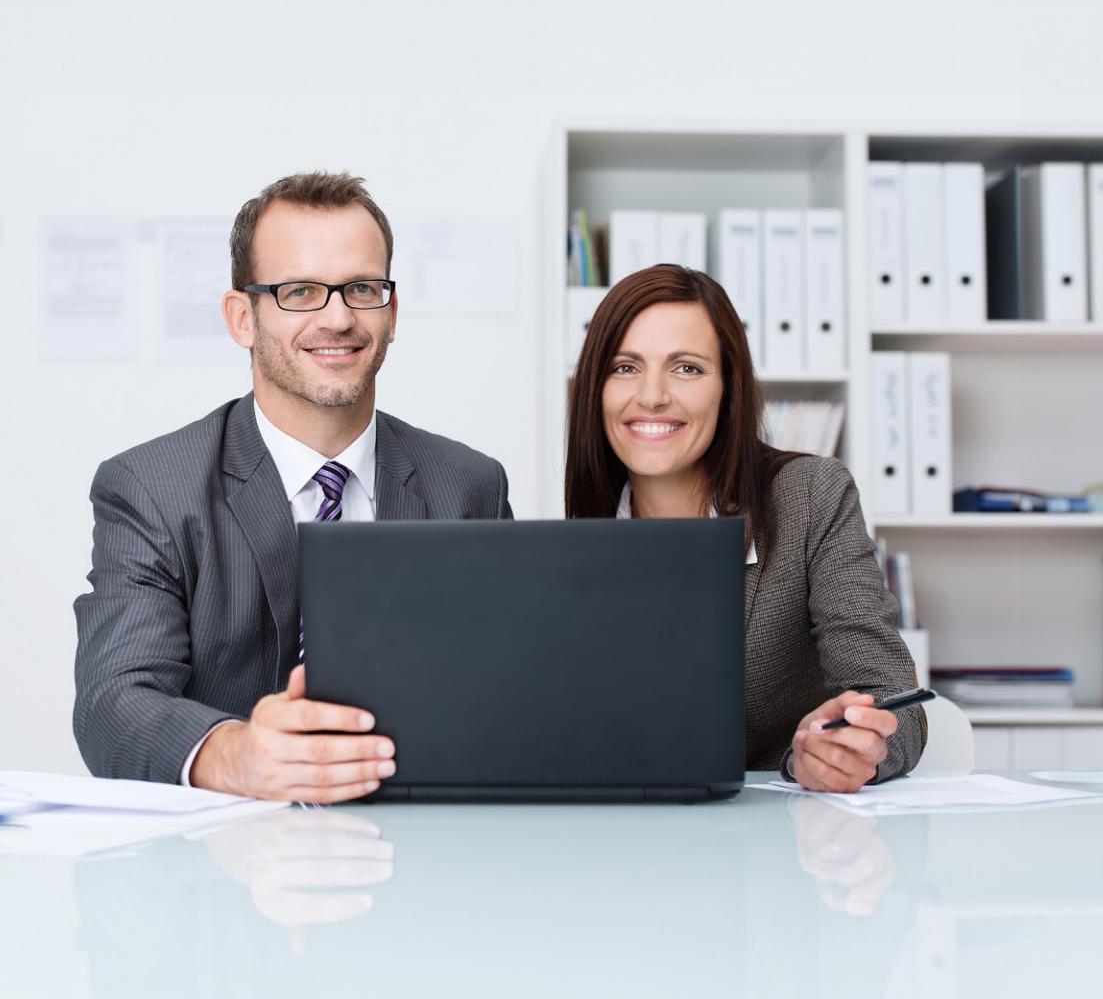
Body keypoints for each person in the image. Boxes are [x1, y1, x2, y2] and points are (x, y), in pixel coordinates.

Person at [72, 172, 511, 801]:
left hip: (422, 854)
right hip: (221, 874)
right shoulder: (151, 489)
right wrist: (235, 754)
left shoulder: (468, 486)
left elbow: (501, 692)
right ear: (242, 317)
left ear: (391, 311)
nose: (337, 317)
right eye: (300, 291)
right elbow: (113, 703)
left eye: (361, 288)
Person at [566, 264, 925, 791]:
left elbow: (892, 699)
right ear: (596, 390)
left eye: (686, 368)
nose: (652, 396)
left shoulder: (809, 497)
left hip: (784, 844)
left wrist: (852, 745)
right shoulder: (574, 544)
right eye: (625, 367)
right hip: (630, 845)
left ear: (728, 389)